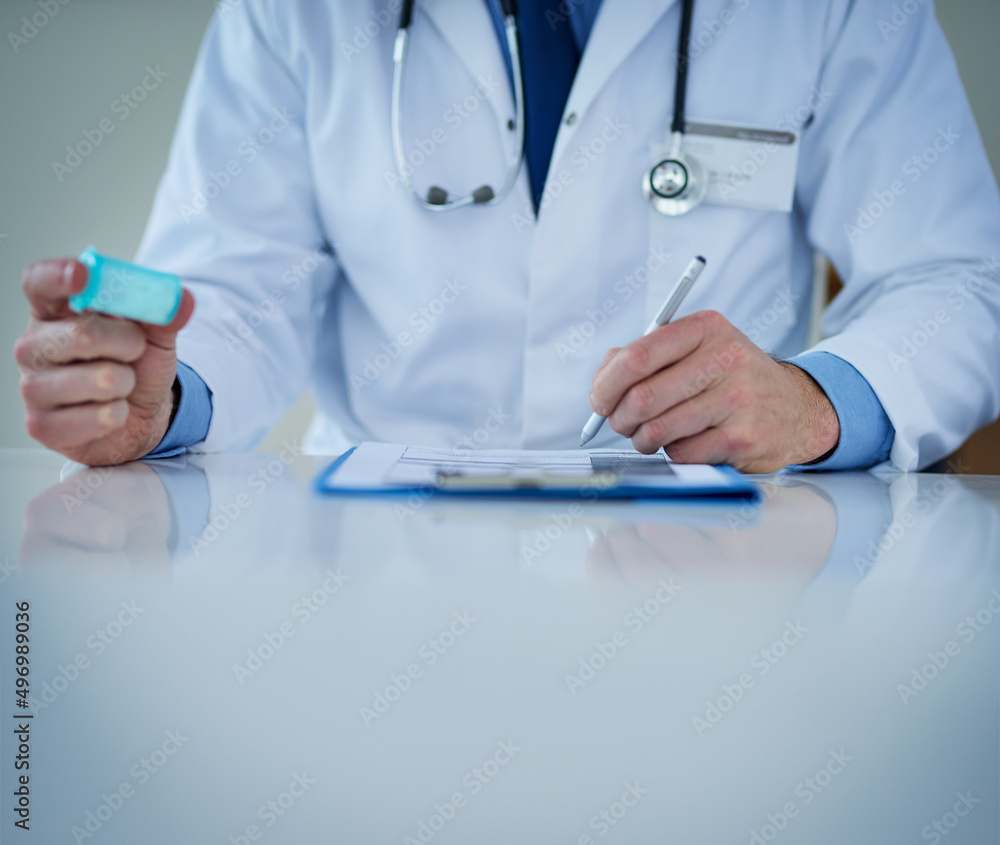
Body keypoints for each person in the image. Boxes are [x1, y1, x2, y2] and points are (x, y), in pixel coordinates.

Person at [14, 0, 1000, 472]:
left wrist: (816, 403)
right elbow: (231, 285)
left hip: (712, 563)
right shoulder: (290, 11)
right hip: (379, 582)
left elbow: (959, 279)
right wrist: (165, 393)